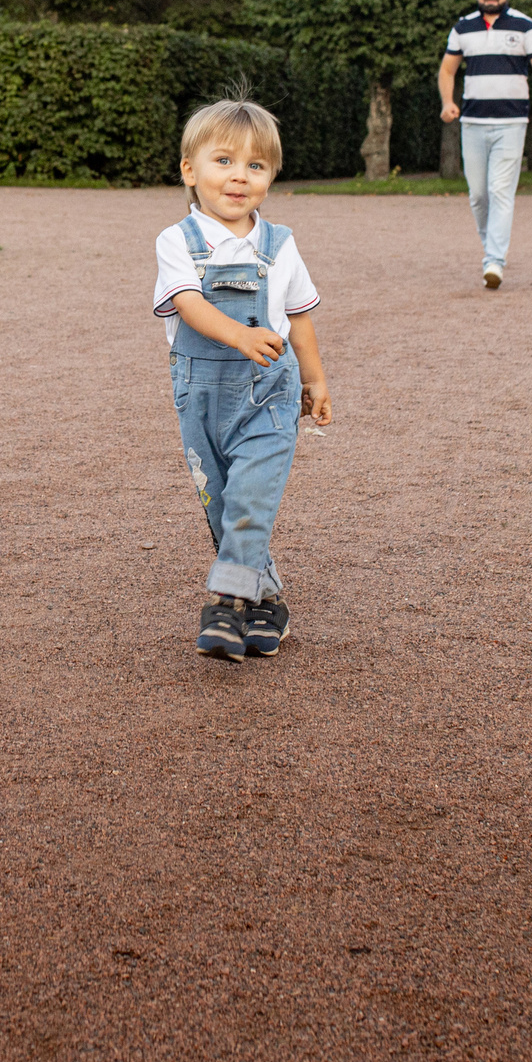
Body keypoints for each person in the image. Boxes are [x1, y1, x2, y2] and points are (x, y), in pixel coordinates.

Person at [153, 99, 333, 660]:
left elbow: (299, 317)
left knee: (252, 496)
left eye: (256, 166)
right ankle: (266, 602)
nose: (239, 176)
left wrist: (315, 380)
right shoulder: (177, 241)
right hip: (200, 394)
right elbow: (186, 303)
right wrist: (238, 335)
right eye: (224, 160)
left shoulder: (279, 244)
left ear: (271, 176)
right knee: (222, 503)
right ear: (190, 170)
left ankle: (225, 605)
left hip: (269, 393)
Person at [437, 0, 532, 290]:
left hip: (511, 123)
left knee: (500, 191)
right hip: (472, 123)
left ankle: (494, 261)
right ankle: (493, 249)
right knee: (478, 195)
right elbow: (447, 70)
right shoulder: (463, 28)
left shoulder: (525, 26)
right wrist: (448, 101)